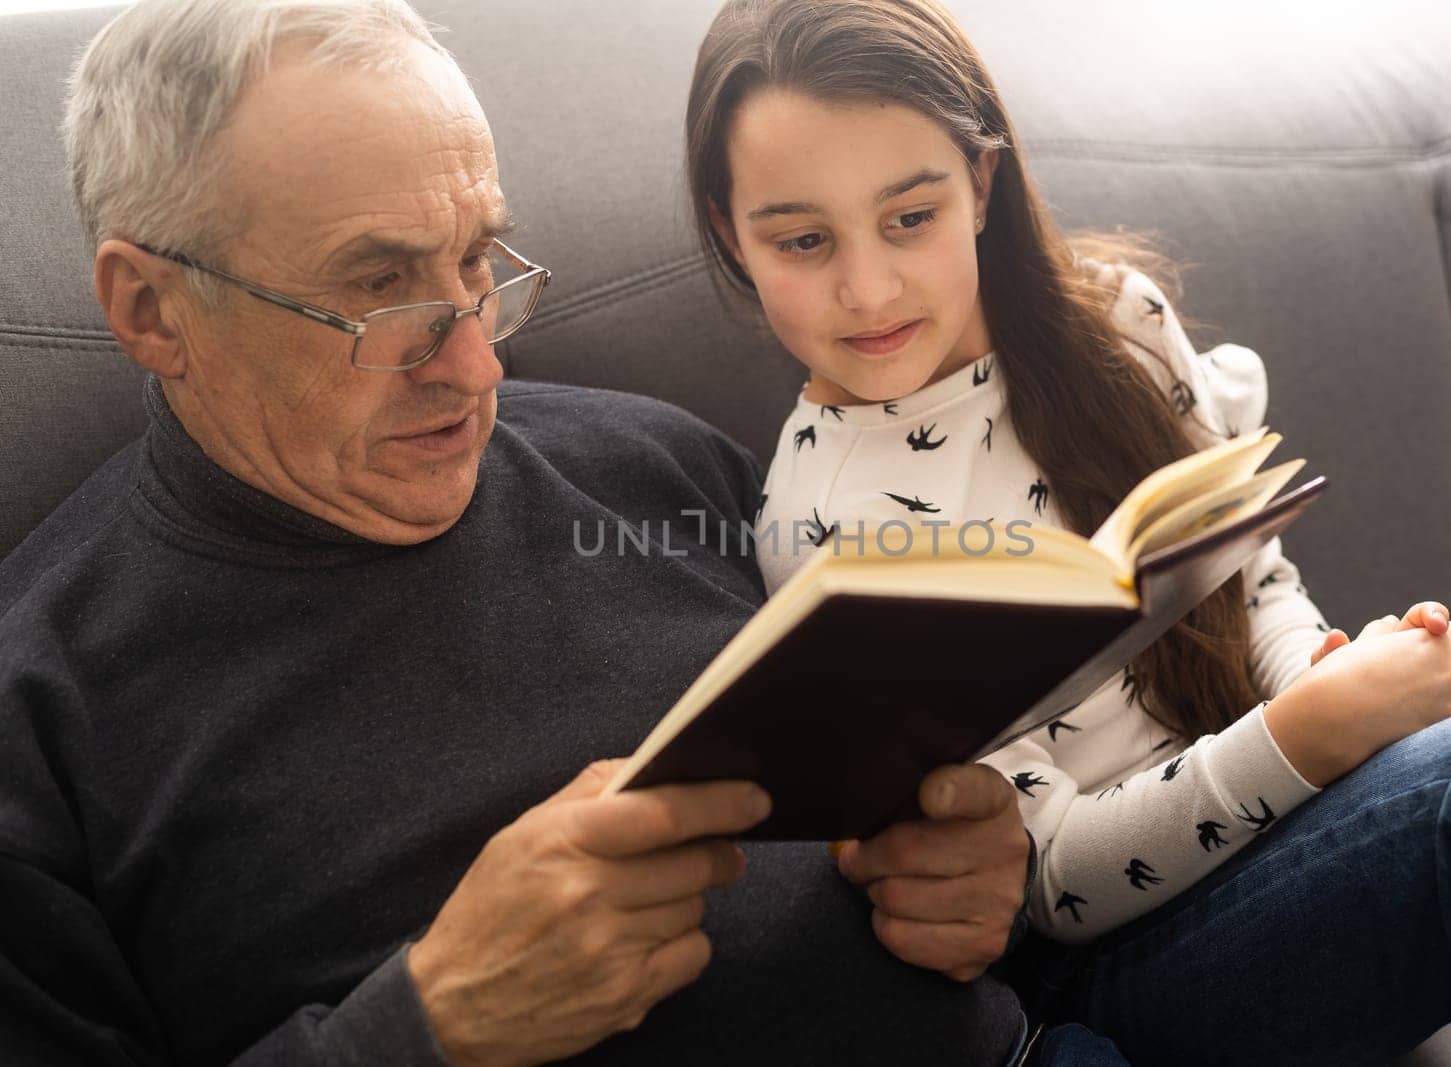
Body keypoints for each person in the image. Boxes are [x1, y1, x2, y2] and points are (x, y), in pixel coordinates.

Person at [0, 1, 1051, 1063]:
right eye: (378, 289)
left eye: (476, 263)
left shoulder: (655, 460)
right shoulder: (40, 722)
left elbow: (938, 832)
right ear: (150, 309)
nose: (475, 364)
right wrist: (431, 1023)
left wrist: (977, 882)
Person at [681, 0, 1451, 1061]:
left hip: (1281, 816)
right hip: (1125, 957)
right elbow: (1054, 876)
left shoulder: (1117, 321)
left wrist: (1321, 673)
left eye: (908, 217)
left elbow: (1251, 577)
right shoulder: (827, 525)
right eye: (802, 239)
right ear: (726, 228)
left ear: (979, 183)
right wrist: (1318, 733)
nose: (868, 285)